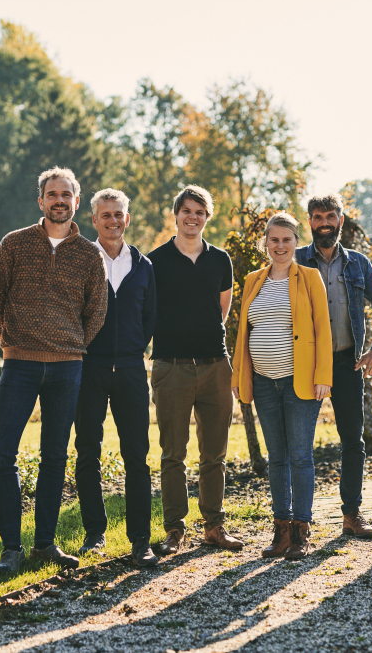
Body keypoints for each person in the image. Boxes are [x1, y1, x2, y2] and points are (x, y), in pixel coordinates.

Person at [0, 167, 108, 573]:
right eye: (51, 194)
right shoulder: (14, 244)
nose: (59, 201)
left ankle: (44, 544)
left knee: (54, 456)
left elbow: (96, 312)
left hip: (66, 368)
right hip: (19, 364)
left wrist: (72, 346)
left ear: (76, 200)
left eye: (66, 194)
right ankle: (10, 547)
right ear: (41, 201)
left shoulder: (90, 255)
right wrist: (9, 343)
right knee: (1, 451)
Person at [149, 185, 244, 554]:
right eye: (187, 211)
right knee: (173, 454)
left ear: (208, 217)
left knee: (214, 454)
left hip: (215, 366)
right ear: (176, 215)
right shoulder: (154, 261)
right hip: (171, 366)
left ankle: (214, 526)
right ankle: (175, 529)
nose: (193, 217)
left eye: (200, 212)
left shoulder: (221, 260)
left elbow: (221, 311)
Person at [232, 213, 332, 558]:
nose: (280, 246)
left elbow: (323, 329)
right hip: (263, 383)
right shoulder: (252, 280)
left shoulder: (310, 277)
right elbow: (244, 333)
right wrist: (239, 375)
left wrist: (324, 376)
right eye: (274, 239)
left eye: (286, 239)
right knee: (277, 458)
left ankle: (302, 532)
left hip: (300, 382)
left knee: (300, 456)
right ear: (266, 243)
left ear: (296, 242)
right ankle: (281, 533)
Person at [295, 194, 372, 539]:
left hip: (347, 363)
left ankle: (352, 514)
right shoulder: (295, 262)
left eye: (330, 216)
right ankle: (299, 520)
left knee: (353, 441)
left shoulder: (358, 264)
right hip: (306, 366)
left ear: (340, 219)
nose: (324, 222)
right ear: (309, 222)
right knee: (300, 443)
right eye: (318, 216)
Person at [73, 189, 159, 568]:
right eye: (105, 215)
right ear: (94, 220)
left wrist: (133, 349)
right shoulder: (79, 261)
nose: (112, 220)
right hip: (87, 370)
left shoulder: (143, 266)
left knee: (136, 456)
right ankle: (95, 534)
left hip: (130, 371)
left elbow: (151, 318)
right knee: (87, 451)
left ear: (128, 218)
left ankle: (141, 539)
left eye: (118, 214)